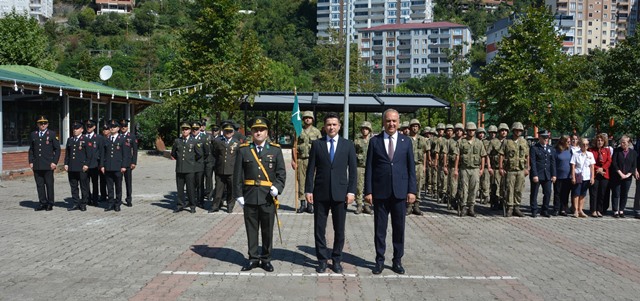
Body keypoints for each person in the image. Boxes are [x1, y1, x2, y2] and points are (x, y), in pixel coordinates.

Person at [364, 109, 416, 275]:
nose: (391, 124)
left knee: (399, 228)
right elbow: (369, 168)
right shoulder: (375, 141)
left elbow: (411, 169)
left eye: (394, 121)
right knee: (380, 228)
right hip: (380, 192)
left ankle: (397, 260)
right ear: (383, 122)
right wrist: (368, 191)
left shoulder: (406, 141)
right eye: (388, 121)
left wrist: (412, 190)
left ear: (398, 122)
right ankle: (379, 260)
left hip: (400, 192)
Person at [305, 112, 357, 273]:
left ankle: (336, 259)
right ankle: (321, 259)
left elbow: (353, 171)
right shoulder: (317, 144)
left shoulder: (348, 145)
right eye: (328, 124)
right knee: (319, 229)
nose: (331, 127)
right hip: (320, 192)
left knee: (339, 229)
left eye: (334, 124)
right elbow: (310, 169)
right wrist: (308, 189)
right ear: (324, 126)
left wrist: (351, 192)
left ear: (339, 126)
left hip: (341, 194)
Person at [234, 117, 286, 272]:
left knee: (267, 229)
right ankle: (253, 258)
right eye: (255, 130)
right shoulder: (243, 150)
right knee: (251, 229)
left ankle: (266, 258)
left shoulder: (275, 150)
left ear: (266, 132)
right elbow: (237, 174)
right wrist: (238, 194)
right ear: (251, 132)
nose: (258, 132)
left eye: (261, 130)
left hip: (267, 197)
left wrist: (277, 188)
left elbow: (281, 173)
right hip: (249, 195)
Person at [292, 111, 322, 213]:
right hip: (301, 160)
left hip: (312, 160)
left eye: (309, 118)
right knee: (301, 181)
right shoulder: (298, 131)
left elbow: (321, 148)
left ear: (312, 119)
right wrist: (293, 160)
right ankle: (302, 203)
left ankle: (311, 204)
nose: (307, 119)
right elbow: (294, 147)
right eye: (305, 118)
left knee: (312, 181)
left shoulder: (317, 132)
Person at [29, 115, 61, 211]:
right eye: (40, 123)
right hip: (37, 164)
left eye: (44, 123)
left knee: (49, 184)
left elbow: (57, 149)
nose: (42, 125)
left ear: (47, 124)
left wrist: (54, 162)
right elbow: (31, 150)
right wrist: (31, 161)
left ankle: (50, 203)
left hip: (48, 164)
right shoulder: (33, 134)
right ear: (37, 124)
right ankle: (42, 202)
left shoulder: (51, 134)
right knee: (39, 184)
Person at [456, 122, 487, 217]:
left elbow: (483, 156)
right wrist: (456, 169)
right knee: (464, 188)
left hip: (475, 169)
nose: (471, 132)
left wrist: (482, 169)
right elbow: (457, 156)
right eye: (469, 130)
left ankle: (471, 207)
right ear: (466, 131)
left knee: (474, 188)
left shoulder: (479, 142)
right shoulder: (461, 142)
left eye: (473, 130)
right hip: (464, 168)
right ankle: (463, 207)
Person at [498, 122, 529, 217]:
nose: (518, 132)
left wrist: (527, 168)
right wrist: (500, 167)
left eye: (520, 130)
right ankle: (510, 207)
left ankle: (517, 207)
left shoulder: (524, 142)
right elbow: (501, 155)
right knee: (509, 189)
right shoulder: (507, 141)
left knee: (519, 189)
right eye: (517, 130)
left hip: (520, 169)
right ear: (513, 130)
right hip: (510, 170)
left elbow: (527, 156)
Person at [171, 122, 202, 213]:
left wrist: (191, 162)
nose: (184, 131)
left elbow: (199, 154)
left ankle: (192, 205)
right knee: (180, 189)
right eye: (183, 129)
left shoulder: (194, 141)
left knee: (190, 188)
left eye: (186, 129)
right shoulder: (178, 141)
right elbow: (174, 153)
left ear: (190, 131)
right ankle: (180, 205)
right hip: (180, 169)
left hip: (190, 169)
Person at [101, 120, 131, 212]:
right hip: (108, 167)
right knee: (109, 187)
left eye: (114, 127)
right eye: (111, 127)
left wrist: (124, 166)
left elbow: (125, 154)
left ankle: (117, 203)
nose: (112, 128)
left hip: (118, 167)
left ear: (118, 128)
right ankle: (110, 203)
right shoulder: (106, 139)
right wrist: (102, 165)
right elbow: (103, 154)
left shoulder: (122, 139)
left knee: (118, 186)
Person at [210, 122, 240, 213]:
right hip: (220, 169)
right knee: (218, 189)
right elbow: (214, 153)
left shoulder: (237, 143)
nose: (228, 133)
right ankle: (216, 205)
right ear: (223, 131)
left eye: (230, 131)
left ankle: (230, 206)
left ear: (233, 132)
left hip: (231, 170)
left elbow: (238, 157)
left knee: (231, 190)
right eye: (226, 131)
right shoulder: (217, 141)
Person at [529, 129, 556, 218]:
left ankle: (544, 210)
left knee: (548, 192)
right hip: (538, 174)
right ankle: (534, 210)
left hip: (547, 174)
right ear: (539, 138)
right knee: (534, 193)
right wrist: (534, 174)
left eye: (547, 137)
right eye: (544, 137)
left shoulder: (550, 148)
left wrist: (554, 174)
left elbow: (552, 162)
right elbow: (533, 162)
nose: (546, 139)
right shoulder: (534, 148)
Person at [64, 121, 90, 211]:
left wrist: (86, 164)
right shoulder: (70, 140)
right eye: (74, 129)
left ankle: (83, 203)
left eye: (77, 128)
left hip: (82, 167)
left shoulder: (85, 139)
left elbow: (89, 154)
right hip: (72, 166)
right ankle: (76, 203)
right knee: (73, 186)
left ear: (82, 130)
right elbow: (68, 153)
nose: (75, 130)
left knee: (84, 186)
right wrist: (66, 163)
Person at [610, 135, 637, 218]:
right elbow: (614, 163)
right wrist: (620, 174)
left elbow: (634, 165)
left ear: (628, 143)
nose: (622, 144)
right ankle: (615, 211)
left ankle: (621, 210)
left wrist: (628, 175)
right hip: (617, 176)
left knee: (624, 194)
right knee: (616, 193)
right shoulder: (616, 151)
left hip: (627, 177)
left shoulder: (633, 153)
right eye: (621, 142)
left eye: (624, 142)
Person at [570, 138, 595, 218]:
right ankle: (576, 210)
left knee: (583, 194)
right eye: (583, 144)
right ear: (580, 145)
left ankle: (581, 210)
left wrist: (592, 177)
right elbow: (573, 166)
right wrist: (573, 177)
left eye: (587, 144)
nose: (585, 146)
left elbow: (592, 167)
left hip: (586, 177)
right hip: (578, 176)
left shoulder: (590, 154)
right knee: (576, 193)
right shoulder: (576, 154)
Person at [407, 118, 428, 215]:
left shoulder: (423, 139)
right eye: (413, 126)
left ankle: (416, 205)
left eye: (416, 126)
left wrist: (424, 166)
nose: (415, 128)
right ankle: (409, 205)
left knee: (419, 185)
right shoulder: (406, 139)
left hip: (419, 165)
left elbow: (424, 153)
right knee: (408, 185)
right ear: (410, 128)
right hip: (408, 165)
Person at [589, 134, 611, 218]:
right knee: (594, 193)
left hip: (604, 174)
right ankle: (593, 210)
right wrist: (598, 169)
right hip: (595, 174)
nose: (600, 142)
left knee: (602, 193)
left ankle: (599, 210)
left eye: (601, 140)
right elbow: (590, 161)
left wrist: (603, 169)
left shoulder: (607, 150)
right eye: (598, 140)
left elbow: (609, 161)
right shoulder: (591, 150)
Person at [354, 121, 373, 214]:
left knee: (369, 186)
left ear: (369, 130)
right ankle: (359, 205)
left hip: (371, 167)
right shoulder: (357, 141)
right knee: (359, 186)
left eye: (366, 129)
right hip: (360, 166)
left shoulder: (373, 141)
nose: (364, 130)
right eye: (363, 129)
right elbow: (353, 154)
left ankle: (367, 205)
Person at [488, 123, 508, 210]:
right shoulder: (493, 142)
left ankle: (503, 202)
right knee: (495, 186)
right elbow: (487, 155)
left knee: (505, 186)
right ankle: (494, 202)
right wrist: (489, 167)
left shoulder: (509, 142)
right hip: (495, 168)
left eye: (505, 131)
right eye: (502, 131)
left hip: (507, 168)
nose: (503, 132)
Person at [119, 119, 138, 207]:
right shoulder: (118, 136)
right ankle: (118, 199)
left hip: (128, 163)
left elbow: (134, 150)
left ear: (127, 127)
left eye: (125, 126)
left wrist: (134, 162)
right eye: (122, 126)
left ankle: (129, 199)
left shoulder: (132, 136)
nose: (123, 128)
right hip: (118, 163)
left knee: (128, 182)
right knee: (118, 182)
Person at [553, 136, 572, 216]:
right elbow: (553, 163)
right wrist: (554, 175)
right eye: (567, 141)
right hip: (558, 176)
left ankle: (563, 209)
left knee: (565, 193)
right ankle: (556, 209)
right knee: (557, 193)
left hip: (567, 176)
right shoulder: (556, 151)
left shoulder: (570, 150)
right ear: (563, 141)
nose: (569, 143)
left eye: (569, 141)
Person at [84, 120, 101, 206]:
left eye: (90, 126)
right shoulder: (83, 137)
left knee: (95, 183)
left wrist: (100, 164)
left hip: (95, 164)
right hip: (85, 165)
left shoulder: (98, 137)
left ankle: (95, 199)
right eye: (87, 126)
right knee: (85, 183)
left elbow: (101, 151)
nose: (88, 128)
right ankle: (87, 199)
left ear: (94, 127)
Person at [477, 127, 491, 205]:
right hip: (475, 164)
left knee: (485, 181)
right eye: (479, 133)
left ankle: (486, 196)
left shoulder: (486, 142)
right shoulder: (475, 141)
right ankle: (478, 193)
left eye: (482, 133)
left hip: (484, 164)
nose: (481, 135)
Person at [99, 122, 111, 203]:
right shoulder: (100, 139)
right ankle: (103, 195)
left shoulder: (112, 138)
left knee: (110, 181)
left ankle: (110, 196)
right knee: (102, 180)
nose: (105, 131)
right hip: (101, 162)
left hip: (110, 162)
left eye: (106, 129)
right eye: (104, 129)